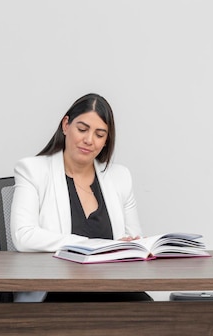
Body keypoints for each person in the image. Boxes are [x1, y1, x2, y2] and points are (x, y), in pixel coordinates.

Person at [9, 93, 150, 302]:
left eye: (100, 134)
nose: (89, 140)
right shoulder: (33, 170)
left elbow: (135, 238)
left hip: (111, 286)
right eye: (82, 129)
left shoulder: (120, 177)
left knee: (151, 314)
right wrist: (88, 245)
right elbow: (23, 236)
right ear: (66, 125)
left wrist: (130, 244)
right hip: (56, 288)